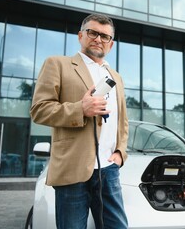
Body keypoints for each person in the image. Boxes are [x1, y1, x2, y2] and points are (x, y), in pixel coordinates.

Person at [30, 13, 128, 229]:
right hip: (73, 169)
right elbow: (39, 110)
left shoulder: (116, 76)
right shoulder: (58, 64)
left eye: (105, 36)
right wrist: (80, 109)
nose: (98, 39)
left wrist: (121, 152)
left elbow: (123, 122)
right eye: (93, 32)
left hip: (108, 170)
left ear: (111, 44)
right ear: (80, 35)